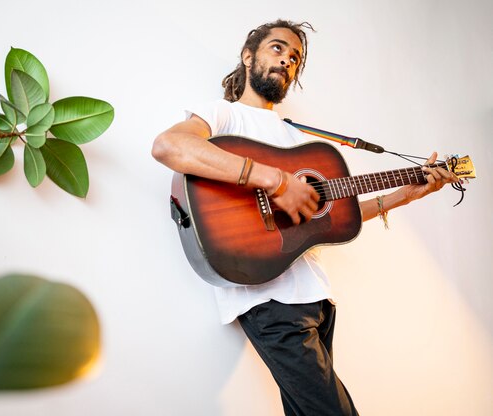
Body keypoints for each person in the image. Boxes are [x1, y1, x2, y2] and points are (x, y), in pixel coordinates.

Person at [151, 19, 457, 416]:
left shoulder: (299, 140)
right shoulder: (223, 116)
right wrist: (275, 181)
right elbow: (169, 145)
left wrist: (402, 196)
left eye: (294, 57)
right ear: (248, 56)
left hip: (315, 298)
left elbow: (332, 216)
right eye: (277, 49)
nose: (287, 60)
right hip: (267, 296)